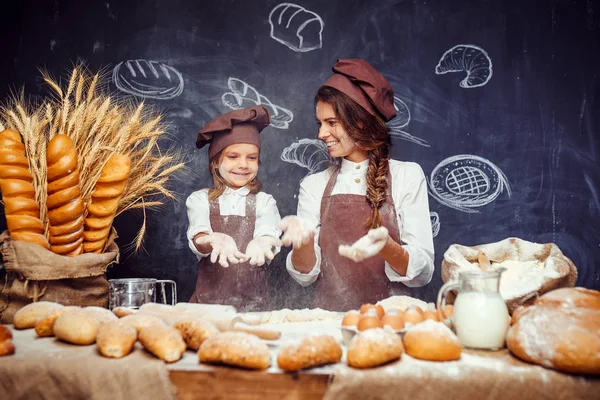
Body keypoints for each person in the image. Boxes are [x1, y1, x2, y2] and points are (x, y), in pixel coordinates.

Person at [279, 58, 434, 311]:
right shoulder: (313, 185)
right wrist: (303, 243)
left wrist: (386, 247)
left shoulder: (408, 176)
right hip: (329, 322)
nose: (320, 134)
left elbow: (423, 273)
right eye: (320, 123)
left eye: (331, 122)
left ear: (360, 121)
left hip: (392, 322)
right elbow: (305, 275)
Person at [186, 105, 281, 311]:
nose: (243, 165)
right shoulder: (200, 200)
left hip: (255, 311)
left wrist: (264, 241)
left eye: (251, 158)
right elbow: (198, 235)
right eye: (233, 156)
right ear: (215, 162)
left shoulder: (265, 201)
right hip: (206, 310)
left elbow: (269, 231)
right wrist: (212, 239)